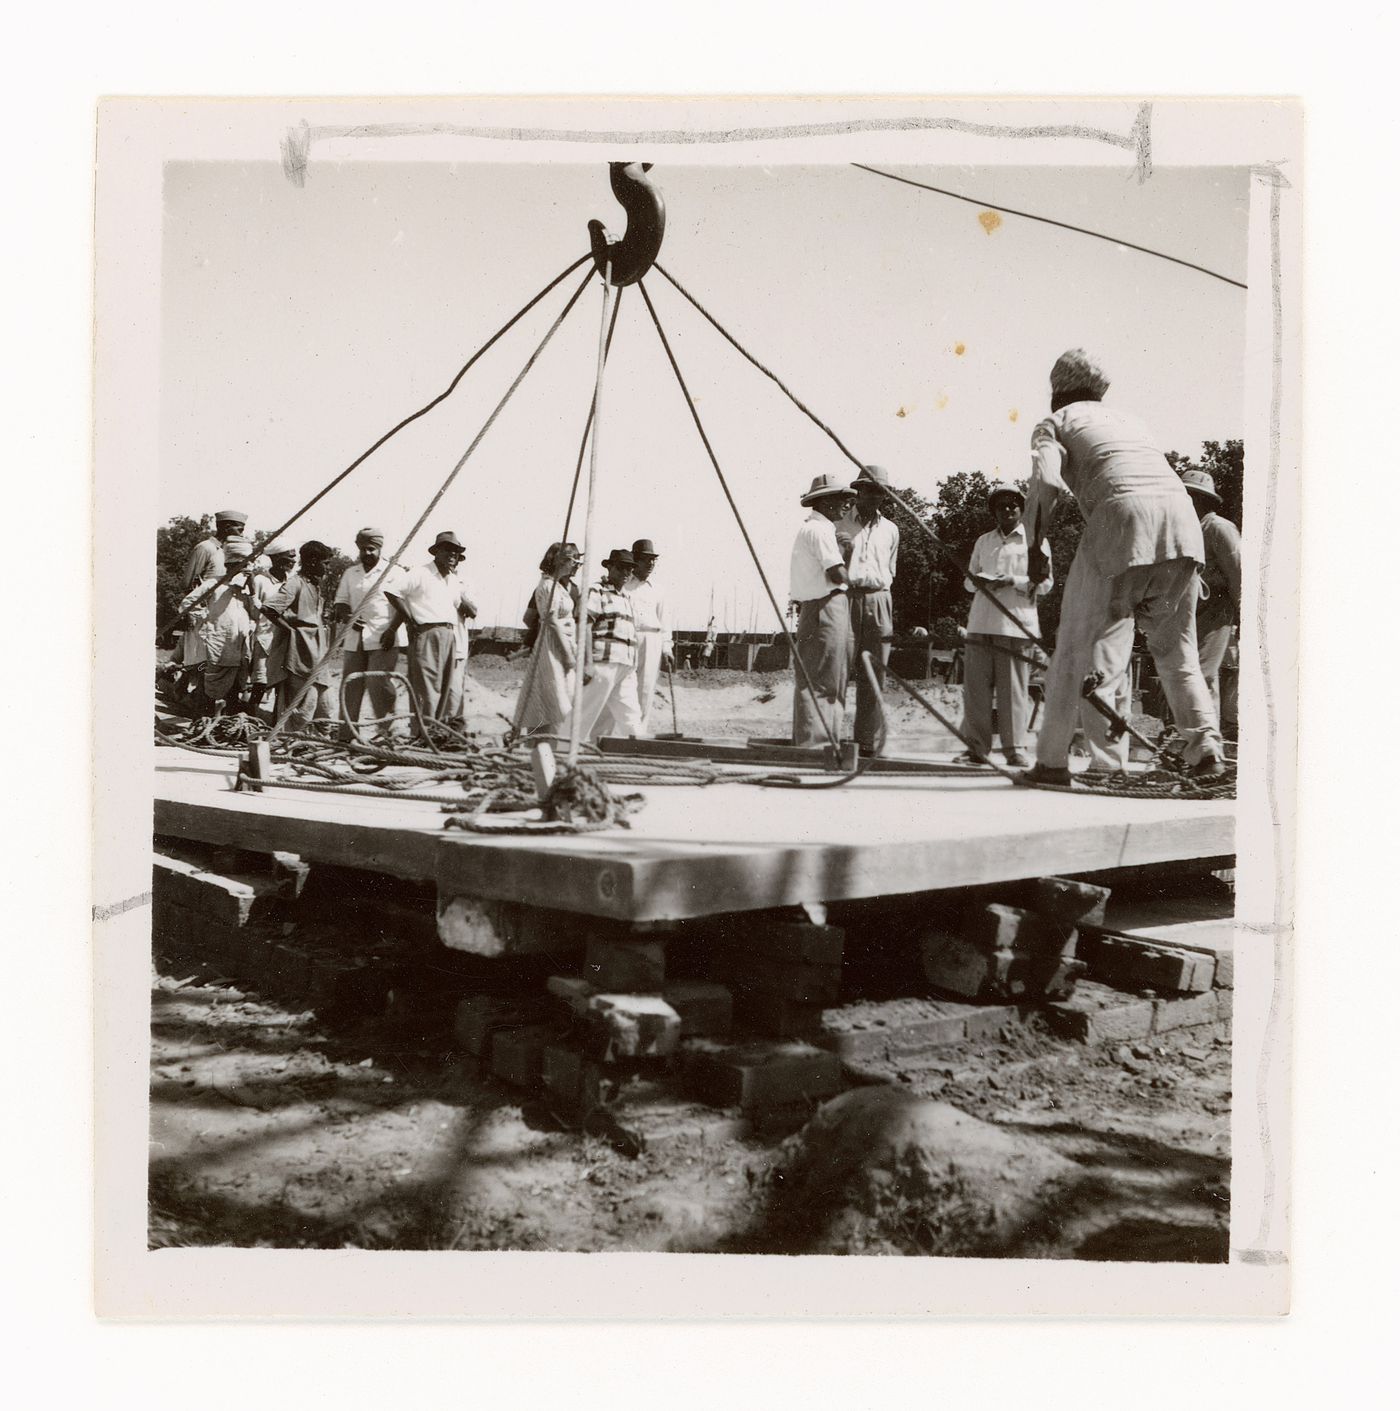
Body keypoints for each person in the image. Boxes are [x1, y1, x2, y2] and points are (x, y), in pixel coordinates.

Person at [1020, 349, 1224, 784]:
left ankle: (1062, 763)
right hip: (1184, 527)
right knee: (1176, 651)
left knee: (1080, 648)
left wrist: (1036, 544)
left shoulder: (1055, 422)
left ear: (1057, 392)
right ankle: (1206, 749)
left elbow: (1047, 482)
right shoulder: (1132, 422)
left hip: (1121, 523)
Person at [958, 485, 1052, 768]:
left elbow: (1045, 583)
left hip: (1015, 623)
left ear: (1022, 509)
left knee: (1013, 689)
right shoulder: (984, 541)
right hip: (981, 621)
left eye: (1013, 505)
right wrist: (979, 581)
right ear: (994, 512)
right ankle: (976, 748)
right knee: (976, 690)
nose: (1007, 510)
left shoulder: (1035, 542)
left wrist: (1013, 581)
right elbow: (967, 580)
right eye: (1001, 506)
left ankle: (1015, 748)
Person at [383, 531, 478, 732]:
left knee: (444, 689)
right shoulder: (421, 573)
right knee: (425, 689)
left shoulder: (452, 579)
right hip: (427, 632)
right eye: (448, 550)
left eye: (456, 551)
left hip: (449, 634)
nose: (452, 555)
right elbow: (392, 592)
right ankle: (421, 735)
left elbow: (461, 606)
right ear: (436, 552)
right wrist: (410, 619)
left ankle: (436, 734)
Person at [788, 473, 854, 749]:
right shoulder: (819, 531)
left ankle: (823, 739)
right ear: (825, 501)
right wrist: (855, 579)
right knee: (822, 678)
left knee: (830, 677)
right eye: (841, 499)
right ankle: (815, 743)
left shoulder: (817, 530)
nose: (846, 505)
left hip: (822, 605)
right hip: (825, 606)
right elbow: (838, 575)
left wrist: (844, 553)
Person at [840, 465, 900, 754]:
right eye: (870, 489)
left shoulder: (891, 530)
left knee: (875, 673)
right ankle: (827, 737)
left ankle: (866, 742)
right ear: (858, 491)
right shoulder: (838, 524)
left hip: (879, 598)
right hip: (845, 597)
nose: (875, 495)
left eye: (881, 490)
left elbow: (891, 569)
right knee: (838, 669)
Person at [1182, 468, 1241, 742]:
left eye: (1189, 496)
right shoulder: (1183, 529)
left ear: (1202, 500)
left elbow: (1239, 573)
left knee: (1202, 676)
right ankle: (1198, 741)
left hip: (1218, 611)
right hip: (1189, 613)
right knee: (1189, 675)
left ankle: (1205, 743)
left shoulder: (1218, 528)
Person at [334, 527, 408, 742]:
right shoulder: (351, 573)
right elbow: (340, 602)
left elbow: (404, 607)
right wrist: (348, 617)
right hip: (355, 638)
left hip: (384, 637)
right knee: (350, 686)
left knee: (380, 686)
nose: (366, 553)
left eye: (371, 549)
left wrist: (392, 630)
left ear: (380, 549)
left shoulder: (395, 572)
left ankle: (385, 734)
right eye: (363, 549)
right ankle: (346, 736)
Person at [177, 535, 260, 714]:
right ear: (233, 564)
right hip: (215, 647)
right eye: (245, 565)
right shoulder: (214, 584)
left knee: (234, 693)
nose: (249, 569)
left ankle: (224, 730)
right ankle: (202, 726)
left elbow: (257, 615)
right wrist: (203, 622)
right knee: (207, 692)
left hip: (238, 651)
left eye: (250, 565)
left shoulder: (247, 590)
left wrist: (252, 592)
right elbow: (187, 603)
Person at [571, 548, 642, 744]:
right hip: (603, 662)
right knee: (584, 712)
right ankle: (560, 756)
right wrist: (586, 663)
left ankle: (639, 758)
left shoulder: (627, 598)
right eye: (621, 568)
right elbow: (584, 625)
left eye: (630, 569)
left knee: (631, 717)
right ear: (610, 567)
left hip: (626, 665)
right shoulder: (596, 590)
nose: (626, 573)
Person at [263, 540, 335, 733]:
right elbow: (269, 608)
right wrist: (290, 631)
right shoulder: (296, 583)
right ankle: (295, 742)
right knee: (302, 706)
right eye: (325, 563)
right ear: (312, 561)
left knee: (325, 704)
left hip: (318, 655)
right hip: (300, 655)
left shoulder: (315, 585)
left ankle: (319, 740)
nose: (328, 568)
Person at [514, 541, 582, 738]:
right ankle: (542, 743)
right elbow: (550, 621)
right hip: (553, 648)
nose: (576, 564)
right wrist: (568, 654)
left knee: (558, 696)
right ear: (561, 560)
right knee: (554, 696)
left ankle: (547, 742)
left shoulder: (558, 587)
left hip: (561, 644)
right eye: (573, 560)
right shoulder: (547, 586)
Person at [176, 509, 247, 691]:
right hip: (205, 611)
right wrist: (196, 612)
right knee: (201, 663)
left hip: (226, 612)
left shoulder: (232, 549)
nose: (242, 533)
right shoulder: (206, 547)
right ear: (226, 526)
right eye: (239, 529)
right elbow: (188, 582)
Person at [616, 538, 673, 737]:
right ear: (635, 561)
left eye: (653, 560)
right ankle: (618, 735)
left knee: (645, 689)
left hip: (652, 640)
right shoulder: (624, 586)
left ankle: (639, 735)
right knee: (622, 686)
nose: (650, 564)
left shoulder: (658, 590)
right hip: (627, 638)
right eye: (646, 559)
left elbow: (665, 622)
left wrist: (667, 648)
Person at [246, 542, 297, 716]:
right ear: (276, 558)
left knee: (281, 681)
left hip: (284, 637)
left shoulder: (291, 581)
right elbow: (253, 611)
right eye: (289, 557)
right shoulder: (260, 581)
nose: (293, 561)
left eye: (294, 557)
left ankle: (276, 720)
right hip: (264, 637)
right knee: (260, 681)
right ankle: (250, 717)